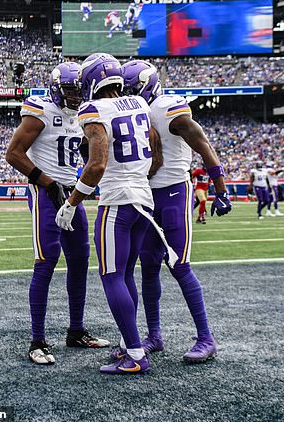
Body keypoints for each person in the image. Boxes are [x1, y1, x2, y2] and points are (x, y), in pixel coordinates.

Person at [55, 53, 164, 374]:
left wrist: (71, 202)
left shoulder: (92, 109)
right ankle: (127, 343)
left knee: (111, 275)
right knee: (126, 273)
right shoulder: (139, 105)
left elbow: (98, 163)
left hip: (117, 200)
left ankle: (135, 354)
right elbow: (156, 154)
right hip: (144, 197)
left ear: (90, 81)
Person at [122, 60, 232, 363]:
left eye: (131, 89)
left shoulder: (168, 107)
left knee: (179, 265)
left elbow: (202, 143)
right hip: (146, 194)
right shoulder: (135, 111)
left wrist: (220, 188)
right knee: (148, 267)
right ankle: (154, 336)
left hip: (173, 192)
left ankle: (206, 338)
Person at [6, 62, 109, 365]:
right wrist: (48, 183)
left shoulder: (84, 115)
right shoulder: (40, 110)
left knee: (80, 259)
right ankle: (37, 341)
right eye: (69, 91)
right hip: (45, 192)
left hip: (70, 192)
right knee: (46, 259)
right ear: (55, 87)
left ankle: (75, 331)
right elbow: (13, 154)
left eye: (79, 91)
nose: (75, 97)